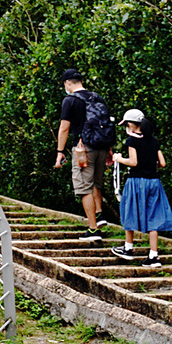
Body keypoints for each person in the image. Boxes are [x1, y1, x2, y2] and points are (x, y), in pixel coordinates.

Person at [110, 109, 172, 267]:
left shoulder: (131, 141)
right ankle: (154, 256)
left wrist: (118, 158)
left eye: (126, 124)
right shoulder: (154, 141)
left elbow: (133, 162)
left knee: (129, 211)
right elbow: (162, 163)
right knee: (154, 217)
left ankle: (128, 248)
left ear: (132, 125)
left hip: (136, 181)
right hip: (154, 182)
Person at [54, 69, 108, 241]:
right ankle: (99, 217)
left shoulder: (70, 100)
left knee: (84, 186)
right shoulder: (96, 97)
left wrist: (60, 152)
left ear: (68, 82)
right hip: (102, 146)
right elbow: (105, 124)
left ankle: (93, 230)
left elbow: (64, 128)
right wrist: (110, 150)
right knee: (95, 183)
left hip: (82, 148)